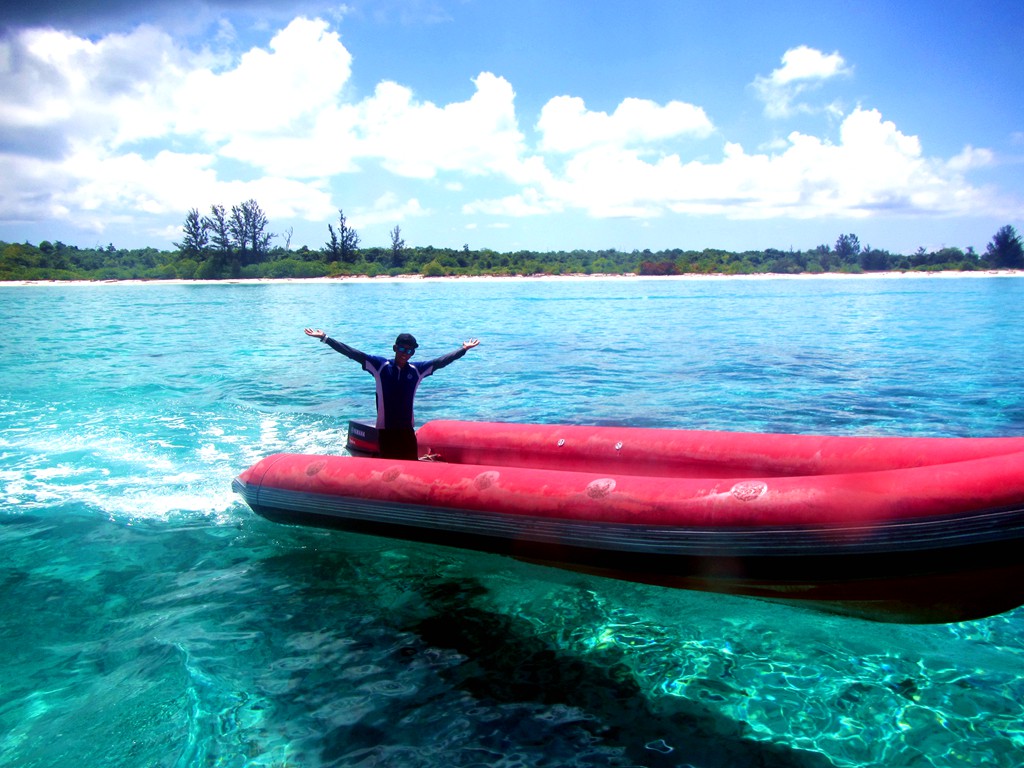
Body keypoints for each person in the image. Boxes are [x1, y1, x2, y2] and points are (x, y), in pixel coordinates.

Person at [304, 328, 480, 460]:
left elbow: (441, 362)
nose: (405, 354)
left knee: (410, 466)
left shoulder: (417, 370)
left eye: (410, 351)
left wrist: (463, 350)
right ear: (395, 348)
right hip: (386, 432)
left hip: (406, 432)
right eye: (402, 350)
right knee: (389, 469)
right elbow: (352, 353)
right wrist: (325, 338)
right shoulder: (379, 366)